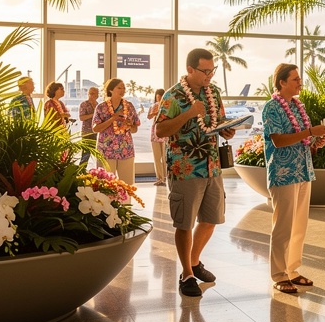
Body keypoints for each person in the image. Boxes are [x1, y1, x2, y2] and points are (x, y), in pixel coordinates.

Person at [155, 48, 236, 298]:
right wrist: (189, 113)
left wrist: (226, 130)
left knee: (211, 219)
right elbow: (160, 130)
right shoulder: (173, 95)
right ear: (190, 69)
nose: (210, 75)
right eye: (205, 71)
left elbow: (217, 121)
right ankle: (187, 273)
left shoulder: (214, 92)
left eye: (212, 70)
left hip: (212, 165)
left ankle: (195, 261)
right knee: (185, 223)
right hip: (185, 167)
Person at [263, 63, 325, 294]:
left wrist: (316, 141)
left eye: (299, 78)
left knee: (299, 225)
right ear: (282, 82)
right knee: (283, 226)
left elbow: (304, 142)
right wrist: (310, 132)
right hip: (283, 174)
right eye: (295, 79)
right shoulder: (271, 107)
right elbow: (279, 140)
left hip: (303, 171)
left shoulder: (298, 107)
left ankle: (292, 270)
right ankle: (279, 274)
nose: (299, 82)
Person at [92, 78, 140, 185]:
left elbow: (135, 128)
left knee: (127, 185)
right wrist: (112, 119)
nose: (122, 90)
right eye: (119, 87)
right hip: (106, 150)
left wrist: (129, 125)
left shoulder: (129, 106)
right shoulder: (101, 107)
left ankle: (126, 202)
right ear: (111, 90)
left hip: (126, 150)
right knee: (105, 185)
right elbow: (95, 128)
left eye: (124, 88)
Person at [147, 88, 168, 186]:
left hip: (164, 132)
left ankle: (165, 177)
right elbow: (149, 116)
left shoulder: (167, 106)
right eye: (157, 95)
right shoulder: (153, 106)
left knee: (164, 156)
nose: (158, 97)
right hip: (155, 132)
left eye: (160, 95)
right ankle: (159, 178)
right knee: (157, 157)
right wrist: (155, 112)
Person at [78, 86, 99, 165]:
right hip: (87, 132)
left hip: (96, 131)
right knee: (85, 154)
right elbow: (81, 117)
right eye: (91, 93)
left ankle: (99, 172)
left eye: (95, 93)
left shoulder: (98, 105)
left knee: (97, 153)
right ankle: (81, 171)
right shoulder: (84, 104)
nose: (92, 95)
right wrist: (93, 115)